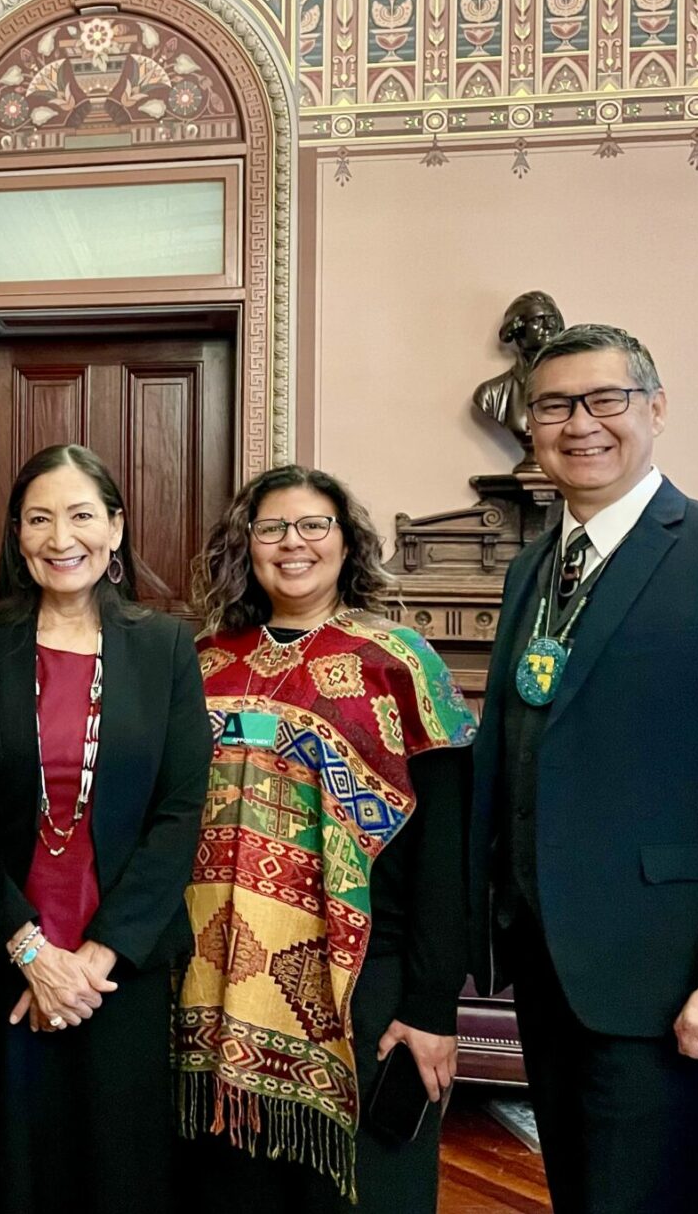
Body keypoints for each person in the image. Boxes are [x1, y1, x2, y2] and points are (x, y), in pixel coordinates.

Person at [470, 323, 698, 1214]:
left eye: (607, 399)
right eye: (555, 404)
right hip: (554, 974)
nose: (581, 423)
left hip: (680, 984)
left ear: (656, 407)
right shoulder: (532, 570)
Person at [175, 465, 476, 1211]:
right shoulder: (202, 660)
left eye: (315, 525)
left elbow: (449, 849)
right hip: (212, 986)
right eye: (272, 527)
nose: (293, 543)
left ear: (348, 542)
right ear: (246, 545)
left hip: (365, 987)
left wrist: (433, 1006)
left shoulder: (398, 662)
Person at [0, 443, 212, 1214]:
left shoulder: (165, 646)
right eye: (40, 518)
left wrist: (95, 957)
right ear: (18, 535)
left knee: (115, 1172)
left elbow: (180, 810)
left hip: (120, 967)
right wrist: (29, 950)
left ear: (116, 528)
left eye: (82, 515)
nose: (63, 537)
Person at [472, 289, 566, 464]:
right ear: (517, 328)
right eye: (538, 319)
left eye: (552, 319)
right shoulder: (491, 393)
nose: (548, 326)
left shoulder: (575, 391)